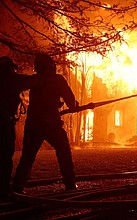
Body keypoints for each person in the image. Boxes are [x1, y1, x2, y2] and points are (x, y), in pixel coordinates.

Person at [14, 54, 79, 193]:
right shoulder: (58, 80)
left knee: (27, 157)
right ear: (52, 66)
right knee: (64, 152)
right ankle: (70, 184)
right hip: (51, 125)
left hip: (34, 125)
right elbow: (71, 102)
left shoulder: (35, 80)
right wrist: (74, 105)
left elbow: (21, 84)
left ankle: (18, 187)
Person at [0, 56, 44, 200]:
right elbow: (32, 81)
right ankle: (4, 191)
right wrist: (45, 74)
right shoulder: (11, 79)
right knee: (5, 157)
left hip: (6, 121)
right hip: (5, 123)